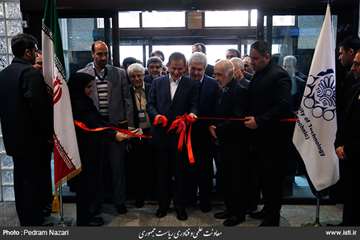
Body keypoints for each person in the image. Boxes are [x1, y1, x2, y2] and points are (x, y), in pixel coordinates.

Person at [0, 33, 52, 226]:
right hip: (33, 140)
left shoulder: (3, 74)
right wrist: (49, 134)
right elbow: (39, 109)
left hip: (13, 138)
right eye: (36, 49)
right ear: (28, 52)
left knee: (21, 181)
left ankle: (26, 219)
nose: (37, 53)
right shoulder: (30, 73)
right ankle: (34, 221)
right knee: (33, 181)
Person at [78, 40, 134, 214]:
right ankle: (96, 204)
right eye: (99, 54)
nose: (103, 57)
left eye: (106, 54)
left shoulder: (119, 73)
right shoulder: (82, 74)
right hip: (93, 129)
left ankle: (119, 201)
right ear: (92, 54)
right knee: (95, 169)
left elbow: (127, 100)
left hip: (115, 126)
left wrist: (129, 126)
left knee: (118, 167)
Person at [68, 72, 131, 226]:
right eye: (88, 87)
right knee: (85, 186)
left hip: (91, 149)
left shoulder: (83, 101)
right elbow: (93, 125)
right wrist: (114, 134)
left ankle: (89, 214)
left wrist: (116, 130)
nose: (91, 90)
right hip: (84, 151)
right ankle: (84, 219)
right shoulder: (78, 104)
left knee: (91, 184)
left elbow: (99, 121)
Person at [244, 40, 291, 226]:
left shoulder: (280, 75)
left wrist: (259, 120)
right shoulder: (259, 73)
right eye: (251, 58)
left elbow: (283, 105)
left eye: (255, 59)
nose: (252, 62)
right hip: (259, 139)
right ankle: (267, 209)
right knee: (263, 178)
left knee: (273, 181)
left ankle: (273, 218)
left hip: (274, 139)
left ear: (267, 57)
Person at [147, 52, 199, 221]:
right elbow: (151, 104)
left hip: (180, 136)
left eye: (180, 69)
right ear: (167, 66)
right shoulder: (157, 82)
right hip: (161, 135)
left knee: (180, 173)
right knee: (161, 172)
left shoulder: (191, 84)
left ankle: (180, 206)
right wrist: (155, 116)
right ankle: (163, 205)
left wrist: (192, 114)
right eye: (174, 68)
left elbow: (194, 105)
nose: (177, 72)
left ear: (185, 68)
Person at [210, 59, 250, 226]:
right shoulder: (224, 88)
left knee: (236, 181)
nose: (216, 77)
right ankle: (229, 208)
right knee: (226, 178)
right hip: (225, 143)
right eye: (215, 74)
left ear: (229, 73)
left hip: (236, 145)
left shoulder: (238, 90)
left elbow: (237, 119)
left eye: (219, 74)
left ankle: (238, 214)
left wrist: (217, 129)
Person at [188, 52, 218, 212]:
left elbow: (217, 108)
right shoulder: (183, 82)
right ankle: (190, 199)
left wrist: (212, 125)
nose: (196, 72)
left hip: (206, 135)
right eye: (193, 69)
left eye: (200, 69)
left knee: (205, 170)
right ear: (188, 67)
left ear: (205, 68)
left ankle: (205, 201)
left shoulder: (213, 84)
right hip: (186, 135)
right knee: (189, 170)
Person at [334, 50, 360, 226]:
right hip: (348, 153)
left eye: (358, 64)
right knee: (350, 197)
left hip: (356, 151)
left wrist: (349, 148)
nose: (353, 68)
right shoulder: (355, 86)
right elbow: (346, 117)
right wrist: (339, 143)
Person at [126, 63, 156, 208]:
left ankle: (153, 194)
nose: (136, 78)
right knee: (137, 167)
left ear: (144, 75)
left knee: (153, 164)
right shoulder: (125, 91)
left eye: (139, 75)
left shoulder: (152, 87)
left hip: (152, 132)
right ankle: (139, 197)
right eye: (133, 76)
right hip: (135, 132)